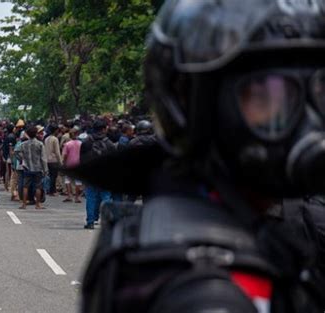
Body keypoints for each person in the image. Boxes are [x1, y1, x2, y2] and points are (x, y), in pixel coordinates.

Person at [73, 1, 325, 312]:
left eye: (320, 92)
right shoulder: (207, 290)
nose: (308, 122)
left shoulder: (240, 222)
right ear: (193, 106)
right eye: (267, 96)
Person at [80, 119, 116, 229]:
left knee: (91, 198)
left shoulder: (86, 142)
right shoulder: (109, 144)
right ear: (104, 129)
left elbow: (82, 159)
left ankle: (90, 221)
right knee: (106, 198)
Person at [19, 126, 48, 210]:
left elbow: (18, 153)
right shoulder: (40, 144)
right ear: (36, 134)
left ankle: (24, 204)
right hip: (37, 168)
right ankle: (38, 204)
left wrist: (23, 161)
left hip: (27, 168)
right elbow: (43, 158)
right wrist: (45, 169)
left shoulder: (23, 144)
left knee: (25, 186)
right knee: (38, 187)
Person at [62, 128, 82, 203]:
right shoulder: (81, 143)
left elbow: (64, 155)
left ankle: (69, 196)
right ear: (78, 134)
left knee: (67, 180)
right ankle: (77, 197)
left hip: (69, 164)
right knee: (78, 181)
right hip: (78, 163)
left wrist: (63, 162)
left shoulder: (67, 144)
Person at [44, 124, 62, 196]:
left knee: (50, 175)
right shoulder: (55, 139)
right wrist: (60, 161)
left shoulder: (46, 138)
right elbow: (57, 152)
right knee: (53, 176)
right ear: (55, 130)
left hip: (47, 159)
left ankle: (50, 190)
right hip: (54, 160)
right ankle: (52, 191)